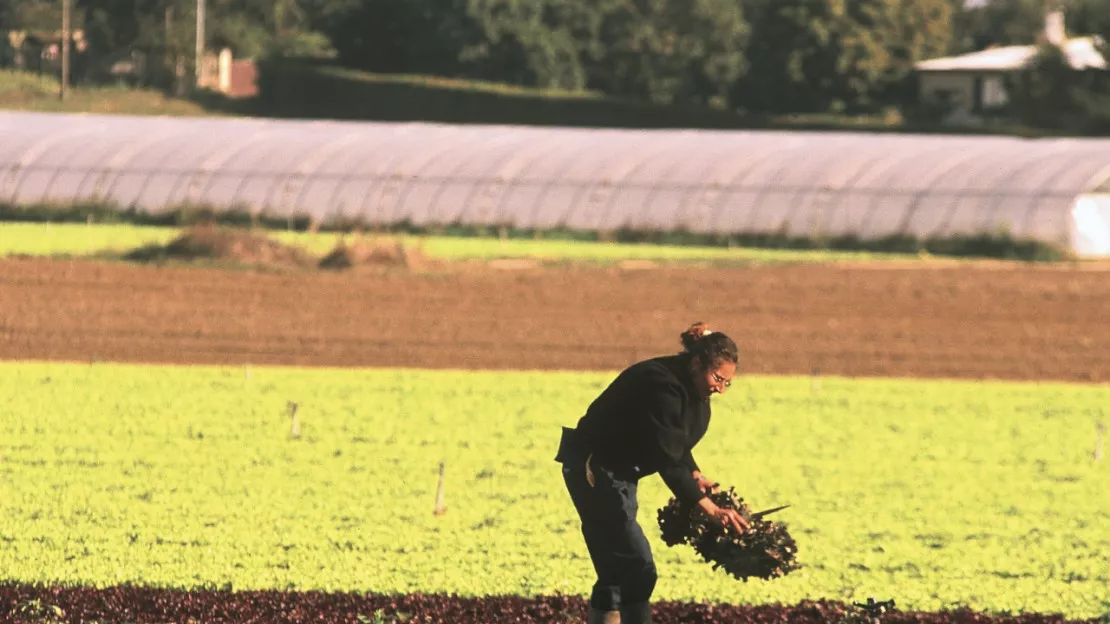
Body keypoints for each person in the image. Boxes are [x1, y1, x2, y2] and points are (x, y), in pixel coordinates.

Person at [554, 322, 750, 624]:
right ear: (697, 363)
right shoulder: (662, 385)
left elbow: (675, 443)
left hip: (619, 474)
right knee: (637, 566)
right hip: (592, 469)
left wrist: (695, 475)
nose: (720, 389)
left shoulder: (690, 389)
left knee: (615, 568)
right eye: (717, 378)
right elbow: (666, 456)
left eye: (727, 383)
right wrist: (708, 507)